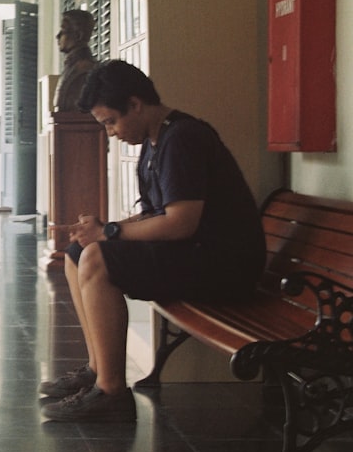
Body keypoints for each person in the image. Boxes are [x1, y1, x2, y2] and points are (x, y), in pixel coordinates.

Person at [40, 60, 265, 422]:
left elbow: (180, 223)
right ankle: (98, 368)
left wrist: (109, 234)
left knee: (97, 259)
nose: (111, 133)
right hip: (196, 255)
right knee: (77, 253)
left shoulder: (183, 138)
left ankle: (111, 392)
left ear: (135, 104)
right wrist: (100, 229)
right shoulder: (155, 140)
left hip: (225, 266)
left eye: (111, 121)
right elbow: (152, 214)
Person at [53, 9, 98, 113]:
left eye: (63, 30)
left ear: (78, 35)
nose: (58, 36)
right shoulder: (71, 67)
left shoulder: (85, 70)